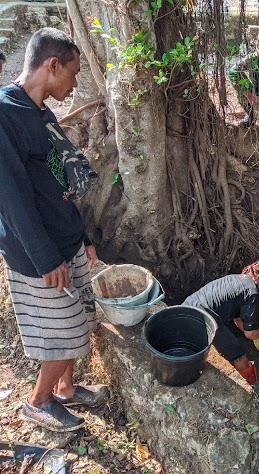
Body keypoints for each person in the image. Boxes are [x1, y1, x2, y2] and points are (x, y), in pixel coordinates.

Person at [0, 28, 105, 433]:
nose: (76, 83)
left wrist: (83, 239)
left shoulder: (41, 112)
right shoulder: (6, 116)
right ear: (53, 65)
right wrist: (46, 257)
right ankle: (38, 402)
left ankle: (65, 388)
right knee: (66, 330)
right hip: (38, 253)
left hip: (67, 240)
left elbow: (59, 182)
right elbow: (12, 201)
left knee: (82, 318)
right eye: (73, 74)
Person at [183, 259, 259, 384]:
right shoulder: (253, 293)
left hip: (187, 308)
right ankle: (251, 387)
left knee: (229, 345)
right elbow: (250, 334)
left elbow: (238, 318)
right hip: (205, 319)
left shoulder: (238, 279)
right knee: (238, 355)